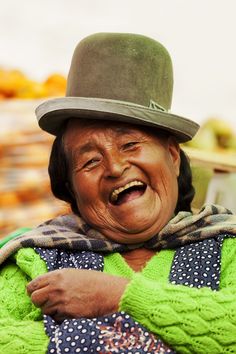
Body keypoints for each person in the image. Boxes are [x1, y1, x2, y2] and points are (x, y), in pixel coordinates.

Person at [0, 32, 235, 354]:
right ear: (70, 187)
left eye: (130, 145)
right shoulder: (37, 257)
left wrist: (118, 296)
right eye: (90, 160)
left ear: (173, 156)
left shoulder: (228, 248)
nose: (113, 167)